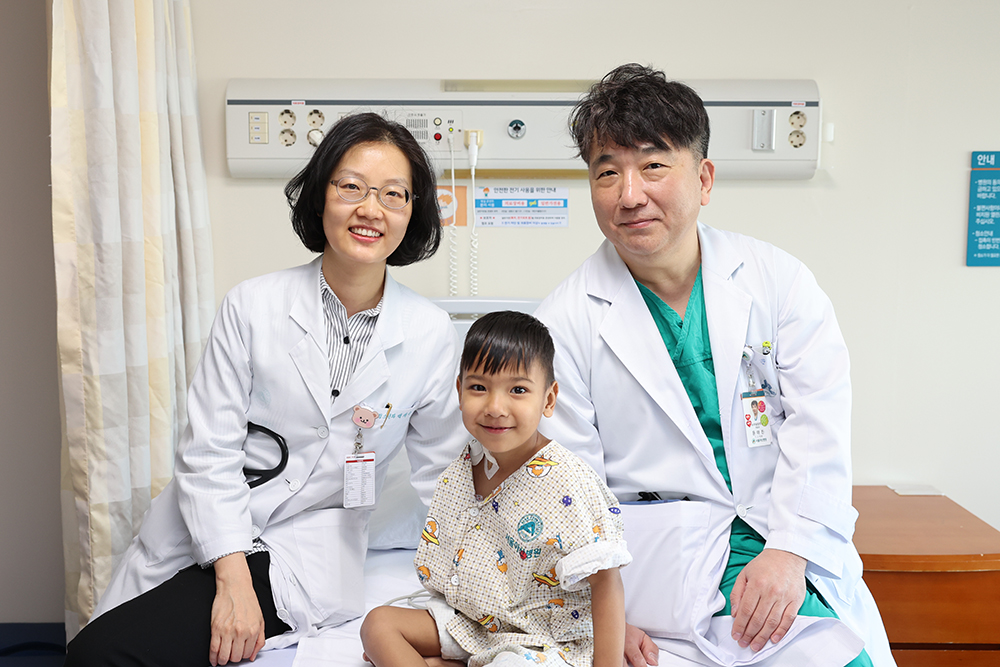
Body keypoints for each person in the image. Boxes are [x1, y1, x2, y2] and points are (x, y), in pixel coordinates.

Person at [64, 112, 467, 667]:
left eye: (394, 194)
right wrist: (232, 582)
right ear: (321, 195)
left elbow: (445, 479)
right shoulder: (252, 306)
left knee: (100, 656)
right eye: (351, 187)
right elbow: (207, 453)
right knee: (95, 650)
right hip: (210, 527)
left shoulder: (428, 334)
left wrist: (484, 597)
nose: (371, 209)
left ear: (412, 212)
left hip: (306, 552)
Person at [534, 64, 896, 667]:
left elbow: (819, 428)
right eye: (607, 172)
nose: (629, 193)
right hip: (656, 582)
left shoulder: (777, 283)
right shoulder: (564, 322)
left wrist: (790, 550)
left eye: (653, 165)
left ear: (703, 179)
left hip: (785, 547)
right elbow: (568, 488)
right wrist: (603, 615)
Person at [360, 311, 631, 667]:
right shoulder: (462, 468)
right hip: (477, 624)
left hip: (543, 642)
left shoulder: (570, 481)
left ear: (549, 400)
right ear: (459, 391)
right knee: (378, 625)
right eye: (479, 388)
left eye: (518, 390)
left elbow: (606, 583)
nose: (495, 408)